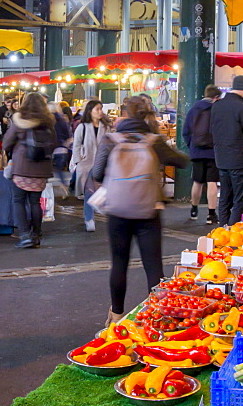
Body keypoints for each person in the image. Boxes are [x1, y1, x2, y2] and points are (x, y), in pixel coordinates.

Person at [92, 95, 189, 321]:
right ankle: (157, 316)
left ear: (124, 114)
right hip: (148, 211)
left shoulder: (110, 140)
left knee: (119, 263)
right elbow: (182, 161)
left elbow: (96, 173)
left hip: (118, 211)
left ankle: (116, 314)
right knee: (153, 265)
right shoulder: (153, 140)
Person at [2, 92, 57, 248]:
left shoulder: (20, 121)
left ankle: (24, 235)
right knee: (35, 202)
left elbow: (6, 143)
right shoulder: (48, 123)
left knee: (18, 201)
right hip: (41, 170)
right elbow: (54, 144)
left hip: (21, 168)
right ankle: (36, 235)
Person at [210, 75, 243, 226]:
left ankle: (221, 230)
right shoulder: (241, 106)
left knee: (225, 197)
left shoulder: (217, 105)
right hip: (238, 159)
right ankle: (233, 231)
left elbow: (212, 130)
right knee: (239, 199)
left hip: (221, 158)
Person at [182, 84, 221, 224]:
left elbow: (185, 131)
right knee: (212, 182)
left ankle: (194, 209)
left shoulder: (194, 109)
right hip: (213, 152)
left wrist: (192, 146)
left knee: (197, 182)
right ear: (216, 97)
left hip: (197, 151)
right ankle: (211, 214)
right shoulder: (217, 110)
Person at [70, 99, 109, 232]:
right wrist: (78, 160)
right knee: (88, 192)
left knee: (100, 190)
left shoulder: (105, 126)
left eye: (101, 109)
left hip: (102, 163)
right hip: (86, 163)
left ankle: (95, 212)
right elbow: (76, 144)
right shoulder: (83, 127)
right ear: (90, 111)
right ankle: (89, 218)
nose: (100, 112)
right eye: (97, 109)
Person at [48, 101, 72, 189]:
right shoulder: (63, 119)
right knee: (60, 170)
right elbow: (68, 134)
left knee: (47, 169)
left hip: (50, 148)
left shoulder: (47, 120)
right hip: (62, 148)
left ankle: (46, 190)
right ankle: (64, 186)